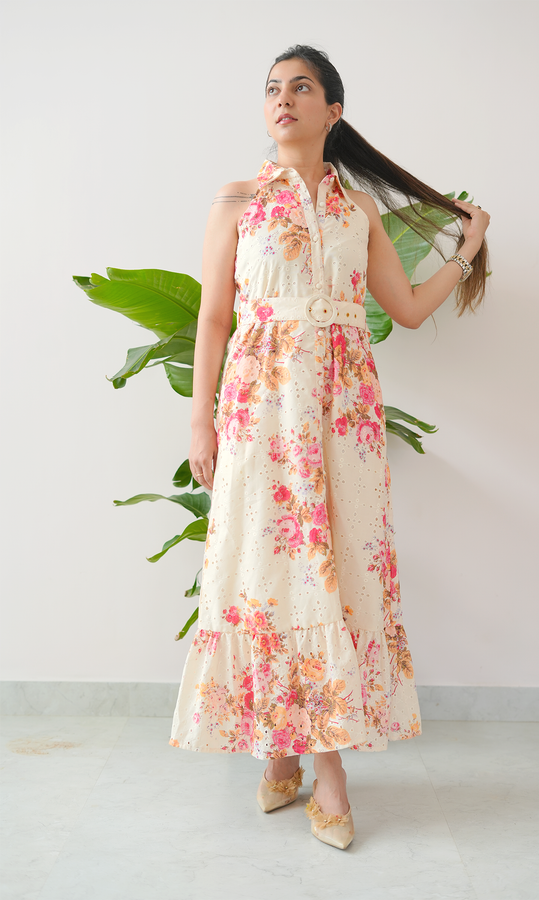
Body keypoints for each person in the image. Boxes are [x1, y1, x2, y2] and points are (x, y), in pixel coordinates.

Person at [169, 44, 491, 850]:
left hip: (342, 412)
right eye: (273, 89)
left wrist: (467, 245)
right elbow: (214, 319)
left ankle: (295, 759)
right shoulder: (237, 202)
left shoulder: (358, 211)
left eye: (301, 87)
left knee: (337, 568)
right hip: (260, 409)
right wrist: (200, 420)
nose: (283, 99)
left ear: (333, 110)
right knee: (265, 573)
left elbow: (408, 310)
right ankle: (311, 766)